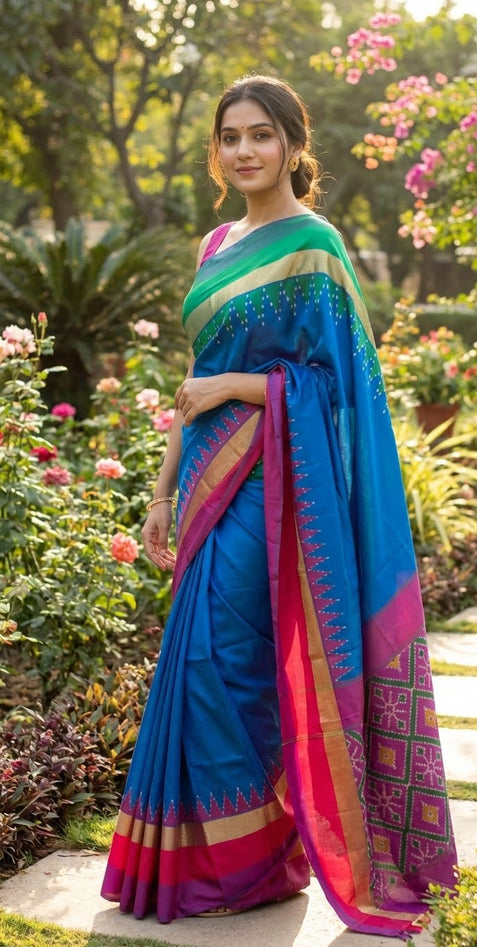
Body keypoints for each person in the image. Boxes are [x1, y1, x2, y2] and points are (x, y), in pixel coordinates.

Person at [101, 74, 457, 937]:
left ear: (294, 145)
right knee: (203, 661)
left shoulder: (315, 246)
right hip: (203, 478)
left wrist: (238, 385)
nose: (244, 151)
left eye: (261, 134)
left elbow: (340, 389)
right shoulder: (215, 243)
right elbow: (193, 384)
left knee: (221, 660)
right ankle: (229, 857)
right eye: (230, 137)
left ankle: (254, 860)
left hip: (272, 490)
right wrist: (159, 492)